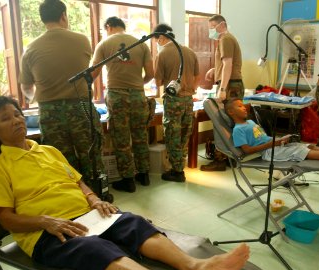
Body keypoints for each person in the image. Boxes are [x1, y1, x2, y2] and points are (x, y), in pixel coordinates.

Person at [0, 96, 250, 270]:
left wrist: (95, 200)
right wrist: (47, 221)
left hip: (88, 216)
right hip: (47, 233)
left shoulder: (48, 151)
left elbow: (79, 182)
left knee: (132, 222)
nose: (16, 120)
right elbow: (5, 218)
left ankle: (195, 266)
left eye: (17, 114)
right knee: (93, 249)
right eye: (6, 119)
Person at [19, 0, 105, 197]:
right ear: (64, 15)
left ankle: (73, 201)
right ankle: (99, 198)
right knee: (91, 156)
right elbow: (85, 71)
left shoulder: (30, 49)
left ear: (42, 19)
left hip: (49, 112)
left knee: (60, 160)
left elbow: (26, 87)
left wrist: (37, 97)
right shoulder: (82, 40)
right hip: (80, 107)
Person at [91, 17, 154, 193]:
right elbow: (151, 73)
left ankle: (128, 180)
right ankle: (144, 175)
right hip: (138, 96)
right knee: (140, 135)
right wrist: (137, 84)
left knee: (121, 138)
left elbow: (94, 72)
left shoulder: (104, 44)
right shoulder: (141, 44)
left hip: (117, 95)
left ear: (108, 27)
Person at [226, 99, 319, 163]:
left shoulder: (250, 122)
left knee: (306, 145)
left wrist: (279, 140)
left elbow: (263, 137)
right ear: (231, 112)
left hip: (274, 144)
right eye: (239, 106)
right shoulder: (238, 130)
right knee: (300, 151)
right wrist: (273, 144)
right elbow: (247, 150)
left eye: (243, 105)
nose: (244, 108)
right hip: (267, 152)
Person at [153, 24, 200, 182]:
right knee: (185, 134)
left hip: (173, 101)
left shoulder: (163, 54)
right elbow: (197, 76)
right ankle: (181, 165)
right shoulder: (190, 52)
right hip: (188, 100)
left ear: (161, 37)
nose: (157, 43)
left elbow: (158, 82)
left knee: (173, 135)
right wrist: (191, 89)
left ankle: (177, 170)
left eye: (157, 40)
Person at [201, 14, 244, 172]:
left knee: (222, 123)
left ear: (222, 25)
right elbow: (226, 63)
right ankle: (231, 159)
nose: (211, 30)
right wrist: (215, 70)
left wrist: (223, 89)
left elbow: (228, 64)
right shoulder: (228, 39)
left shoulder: (225, 39)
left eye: (212, 27)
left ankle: (220, 161)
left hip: (230, 86)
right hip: (233, 84)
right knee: (231, 123)